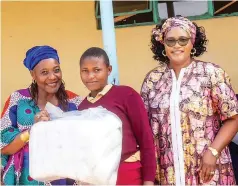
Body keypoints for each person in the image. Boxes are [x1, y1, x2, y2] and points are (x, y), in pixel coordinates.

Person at [140, 16, 238, 185]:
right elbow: (144, 128)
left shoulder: (211, 73)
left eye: (183, 40)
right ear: (162, 44)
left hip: (207, 170)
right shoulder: (153, 80)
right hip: (166, 172)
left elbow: (233, 118)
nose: (177, 45)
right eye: (170, 41)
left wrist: (213, 152)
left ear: (192, 42)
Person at [1, 45, 82, 185]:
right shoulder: (18, 101)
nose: (52, 77)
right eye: (44, 72)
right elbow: (4, 147)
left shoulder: (74, 103)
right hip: (26, 180)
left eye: (56, 70)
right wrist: (33, 131)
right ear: (33, 74)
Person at [77, 47, 156, 185]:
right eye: (85, 71)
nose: (90, 76)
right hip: (95, 178)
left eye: (97, 70)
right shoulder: (82, 107)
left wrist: (148, 180)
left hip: (127, 173)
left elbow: (145, 138)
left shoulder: (126, 95)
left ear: (109, 70)